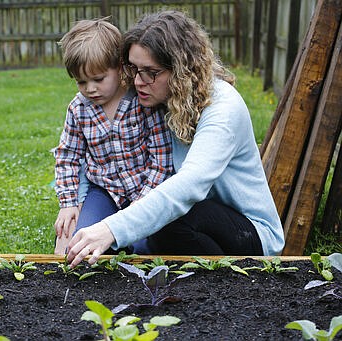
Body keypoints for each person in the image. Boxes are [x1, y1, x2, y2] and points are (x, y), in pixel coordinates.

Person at [66, 10, 285, 267]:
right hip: (195, 216)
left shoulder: (222, 109)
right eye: (134, 69)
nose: (137, 81)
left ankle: (225, 282)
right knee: (163, 227)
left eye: (150, 72)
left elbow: (188, 185)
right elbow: (92, 150)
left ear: (180, 70)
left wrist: (110, 229)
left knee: (170, 224)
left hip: (249, 232)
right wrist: (75, 207)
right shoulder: (160, 98)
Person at [53, 18, 174, 254]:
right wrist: (68, 203)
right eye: (81, 82)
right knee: (80, 244)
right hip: (104, 192)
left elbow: (162, 160)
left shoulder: (143, 101)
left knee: (145, 247)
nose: (90, 89)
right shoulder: (79, 109)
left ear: (120, 68)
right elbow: (67, 157)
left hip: (144, 192)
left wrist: (142, 205)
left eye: (98, 79)